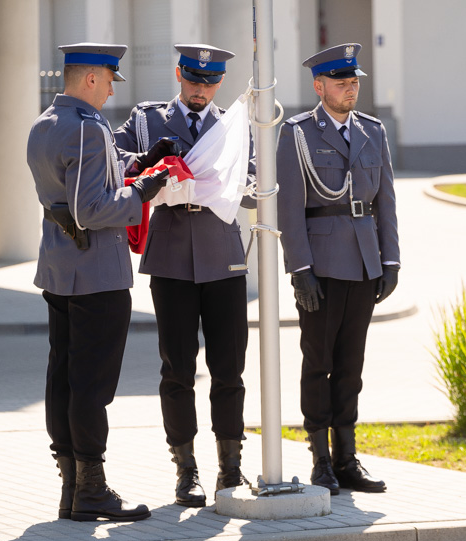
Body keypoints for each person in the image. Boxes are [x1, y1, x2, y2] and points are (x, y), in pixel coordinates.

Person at [27, 42, 175, 522]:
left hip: (59, 268)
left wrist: (137, 162)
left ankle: (71, 488)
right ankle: (91, 489)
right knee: (92, 386)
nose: (113, 88)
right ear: (90, 78)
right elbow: (92, 209)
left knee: (63, 378)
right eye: (110, 78)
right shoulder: (90, 129)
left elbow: (76, 189)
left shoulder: (46, 124)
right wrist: (142, 190)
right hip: (97, 274)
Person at [114, 43, 255, 508]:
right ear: (179, 74)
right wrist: (146, 165)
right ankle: (186, 470)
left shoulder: (232, 125)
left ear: (220, 84)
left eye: (210, 82)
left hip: (222, 256)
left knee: (229, 369)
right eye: (193, 80)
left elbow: (252, 182)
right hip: (172, 254)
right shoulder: (148, 119)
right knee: (177, 368)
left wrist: (244, 187)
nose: (200, 90)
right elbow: (116, 162)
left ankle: (230, 469)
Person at [275, 43, 400, 495]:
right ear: (319, 86)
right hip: (322, 266)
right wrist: (300, 268)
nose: (351, 88)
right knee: (318, 363)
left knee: (351, 366)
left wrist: (391, 260)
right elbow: (288, 208)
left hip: (365, 263)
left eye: (354, 81)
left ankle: (348, 458)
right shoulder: (297, 133)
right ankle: (321, 460)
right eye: (341, 82)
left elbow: (385, 199)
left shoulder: (373, 131)